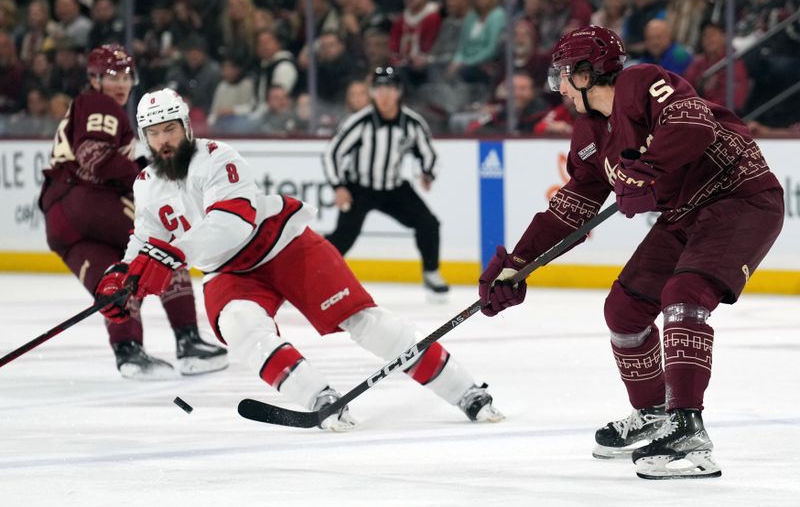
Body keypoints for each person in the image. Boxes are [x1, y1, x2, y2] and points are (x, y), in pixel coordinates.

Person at [96, 87, 504, 431]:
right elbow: (145, 239)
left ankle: (464, 390)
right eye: (154, 133)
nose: (164, 140)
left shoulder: (219, 158)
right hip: (229, 272)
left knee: (364, 323)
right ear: (144, 138)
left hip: (284, 247)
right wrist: (124, 277)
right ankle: (319, 397)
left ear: (186, 128)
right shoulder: (146, 184)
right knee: (242, 329)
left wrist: (174, 254)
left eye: (170, 129)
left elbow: (233, 223)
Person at [478, 25, 783, 479]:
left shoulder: (642, 83)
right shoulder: (587, 134)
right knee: (624, 309)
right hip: (685, 212)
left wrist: (646, 169)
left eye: (564, 74)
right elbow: (571, 209)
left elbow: (693, 125)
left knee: (684, 294)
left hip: (741, 196)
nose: (559, 85)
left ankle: (688, 430)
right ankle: (656, 413)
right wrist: (517, 264)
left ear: (586, 72)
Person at [38, 44, 228, 380]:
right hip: (87, 200)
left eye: (126, 75)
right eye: (112, 75)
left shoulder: (86, 106)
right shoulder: (98, 103)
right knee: (165, 242)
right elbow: (94, 155)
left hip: (59, 222)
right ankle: (188, 341)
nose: (121, 83)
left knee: (115, 279)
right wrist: (148, 177)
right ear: (94, 79)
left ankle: (128, 352)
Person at [322, 66, 450, 298]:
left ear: (398, 92)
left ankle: (431, 272)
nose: (384, 95)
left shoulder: (412, 123)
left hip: (393, 188)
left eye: (389, 88)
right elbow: (332, 153)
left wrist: (427, 173)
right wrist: (339, 186)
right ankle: (313, 272)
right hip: (359, 188)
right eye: (379, 89)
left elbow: (428, 153)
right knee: (343, 237)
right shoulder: (359, 122)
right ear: (372, 92)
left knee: (428, 224)